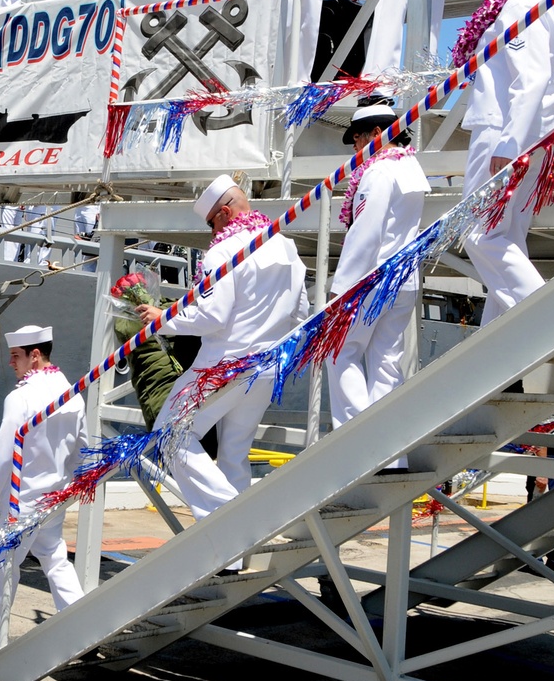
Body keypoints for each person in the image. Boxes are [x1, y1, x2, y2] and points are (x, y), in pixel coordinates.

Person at [136, 175, 309, 527]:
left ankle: (233, 520)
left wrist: (162, 320)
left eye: (213, 222)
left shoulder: (223, 251)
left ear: (226, 214)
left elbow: (212, 317)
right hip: (266, 366)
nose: (213, 232)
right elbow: (301, 312)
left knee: (170, 434)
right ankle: (234, 553)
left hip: (222, 366)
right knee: (234, 453)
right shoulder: (285, 245)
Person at [0, 324, 86, 673]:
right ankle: (84, 632)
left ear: (35, 356)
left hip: (20, 503)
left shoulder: (21, 397)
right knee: (56, 562)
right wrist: (69, 484)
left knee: (0, 574)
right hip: (53, 499)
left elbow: (2, 455)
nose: (11, 363)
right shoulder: (72, 393)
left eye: (16, 357)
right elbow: (81, 447)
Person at [459, 0, 554, 325]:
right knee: (507, 239)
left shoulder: (520, 4)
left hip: (503, 131)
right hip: (529, 133)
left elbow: (532, 76)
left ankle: (551, 319)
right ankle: (501, 348)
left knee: (480, 234)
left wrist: (508, 143)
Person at [327, 99, 430, 431]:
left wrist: (339, 291)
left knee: (338, 351)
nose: (355, 147)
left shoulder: (377, 171)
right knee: (386, 363)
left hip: (374, 278)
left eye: (358, 138)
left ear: (376, 133)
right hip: (404, 279)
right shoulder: (410, 167)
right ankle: (390, 454)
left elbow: (366, 234)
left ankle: (357, 437)